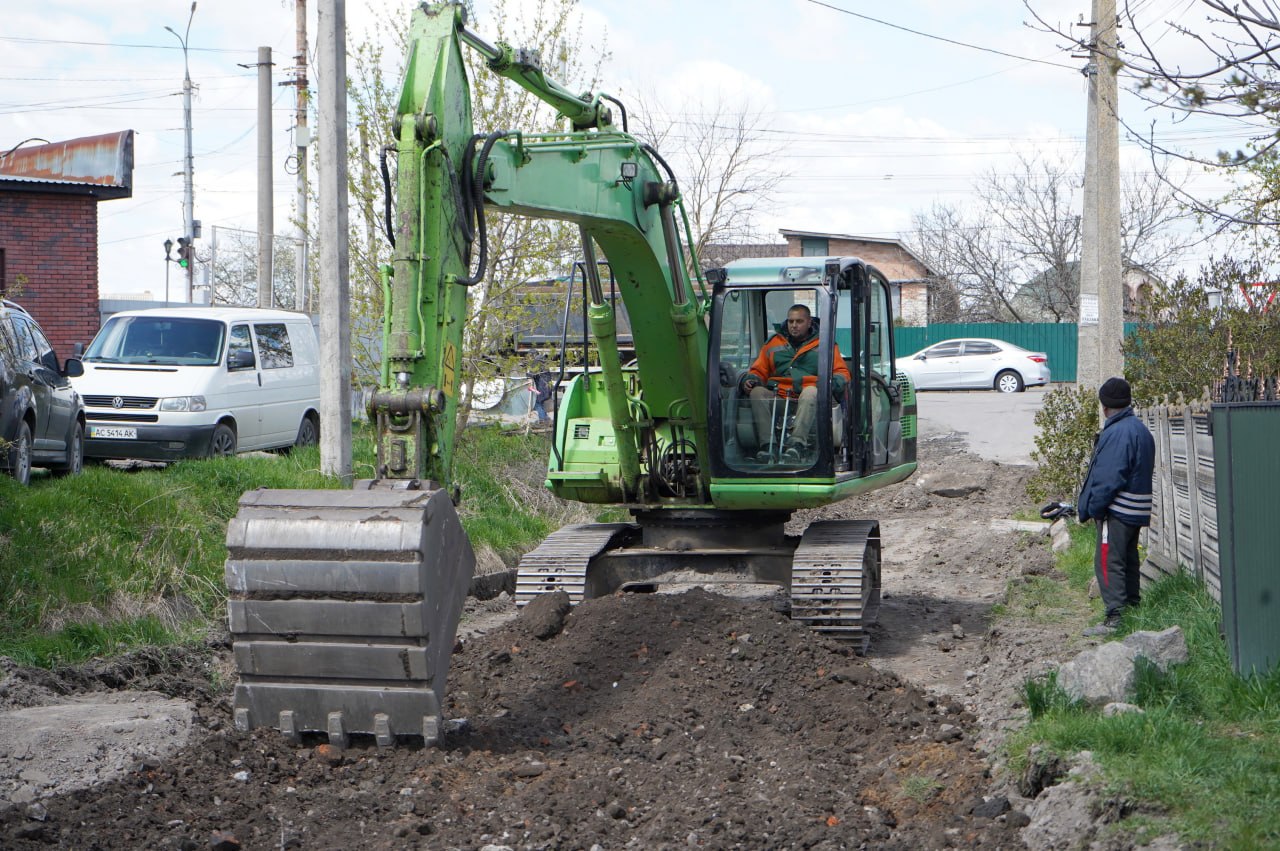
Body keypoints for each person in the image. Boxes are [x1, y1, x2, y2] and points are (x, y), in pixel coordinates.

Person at [1077, 377, 1156, 636]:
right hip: (1138, 508)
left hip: (1118, 509)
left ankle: (1115, 618)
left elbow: (1109, 478)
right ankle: (1132, 609)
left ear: (1105, 405)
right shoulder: (1139, 429)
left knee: (1108, 561)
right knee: (1129, 559)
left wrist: (1095, 508)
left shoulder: (1117, 432)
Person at [741, 304, 850, 459]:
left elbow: (842, 372)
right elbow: (758, 370)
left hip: (809, 397)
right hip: (779, 396)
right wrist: (751, 379)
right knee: (757, 392)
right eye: (791, 321)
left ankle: (797, 445)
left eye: (799, 321)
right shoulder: (773, 343)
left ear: (809, 322)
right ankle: (768, 446)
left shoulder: (825, 344)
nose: (794, 325)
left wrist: (833, 384)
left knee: (811, 391)